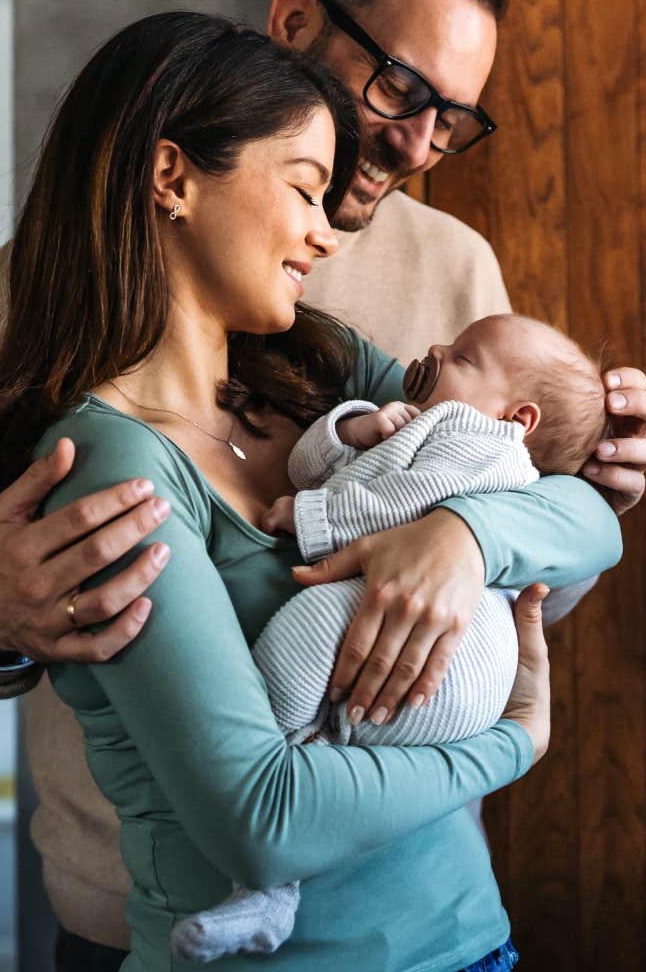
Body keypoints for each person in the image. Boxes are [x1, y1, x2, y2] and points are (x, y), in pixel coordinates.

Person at [0, 0, 646, 964]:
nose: (417, 142)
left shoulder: (391, 309)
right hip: (172, 906)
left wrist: (490, 532)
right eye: (402, 89)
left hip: (443, 914)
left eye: (452, 121)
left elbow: (532, 564)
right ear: (298, 22)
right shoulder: (76, 352)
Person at [174, 313, 614, 962]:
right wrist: (357, 427)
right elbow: (312, 464)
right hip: (446, 671)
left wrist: (312, 517)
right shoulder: (422, 418)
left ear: (518, 419)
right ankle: (278, 861)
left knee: (302, 632)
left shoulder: (483, 441)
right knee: (316, 668)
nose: (435, 349)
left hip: (458, 660)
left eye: (463, 357)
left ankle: (277, 829)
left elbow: (407, 503)